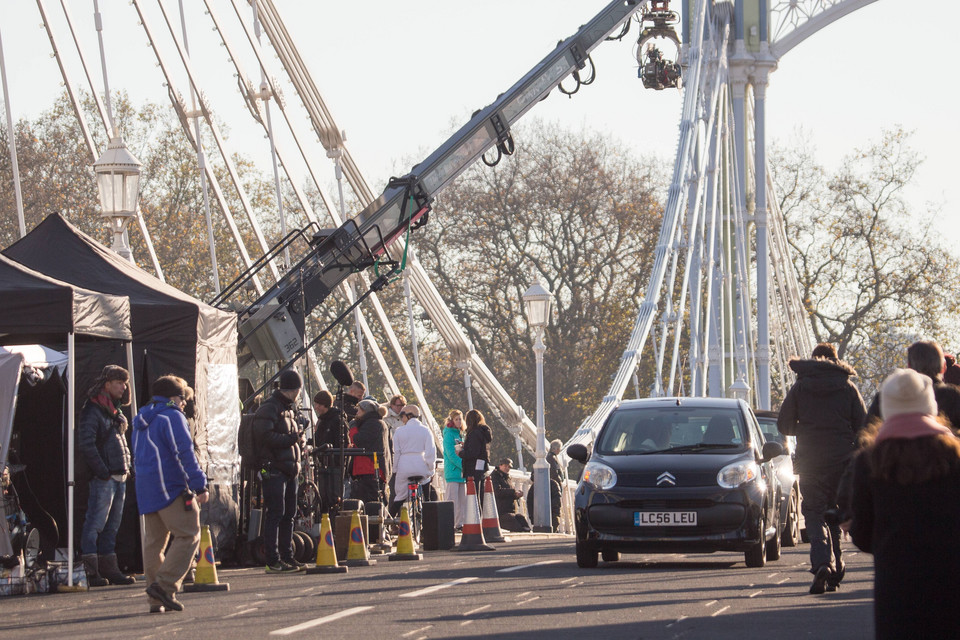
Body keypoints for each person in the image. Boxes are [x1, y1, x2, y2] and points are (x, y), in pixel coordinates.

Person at [848, 368, 960, 639]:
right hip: (951, 581)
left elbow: (862, 533)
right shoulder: (954, 456)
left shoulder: (868, 461)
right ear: (930, 407)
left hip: (896, 583)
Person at [777, 343, 866, 594]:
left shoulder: (800, 387)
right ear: (836, 362)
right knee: (835, 512)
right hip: (841, 460)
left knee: (814, 513)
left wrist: (805, 429)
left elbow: (784, 425)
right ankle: (837, 566)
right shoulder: (848, 387)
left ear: (813, 361)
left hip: (811, 459)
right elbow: (863, 425)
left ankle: (822, 563)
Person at [132, 376, 208, 613]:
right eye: (183, 398)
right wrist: (199, 485)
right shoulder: (172, 416)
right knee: (189, 535)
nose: (184, 403)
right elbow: (184, 453)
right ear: (174, 397)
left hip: (146, 488)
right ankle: (163, 587)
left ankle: (156, 601)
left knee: (154, 544)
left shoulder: (141, 418)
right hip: (170, 487)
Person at [77, 364, 135, 587]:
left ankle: (109, 570)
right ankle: (91, 572)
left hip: (118, 476)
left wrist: (126, 469)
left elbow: (118, 445)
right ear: (107, 384)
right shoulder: (93, 409)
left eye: (124, 382)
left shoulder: (114, 410)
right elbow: (87, 444)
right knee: (96, 524)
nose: (123, 387)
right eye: (119, 382)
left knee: (111, 526)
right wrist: (102, 472)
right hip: (106, 477)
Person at [252, 369, 306, 573]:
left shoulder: (287, 409)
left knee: (288, 514)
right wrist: (293, 439)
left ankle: (287, 556)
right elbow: (264, 437)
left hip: (289, 468)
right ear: (296, 390)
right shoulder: (270, 408)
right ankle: (273, 559)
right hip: (274, 468)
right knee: (276, 513)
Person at [864, 340, 960, 429]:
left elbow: (864, 437)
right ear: (944, 367)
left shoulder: (887, 396)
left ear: (909, 366)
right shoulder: (954, 397)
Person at [389, 405, 436, 517]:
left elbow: (397, 453)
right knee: (425, 481)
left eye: (402, 416)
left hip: (404, 465)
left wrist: (395, 469)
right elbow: (430, 453)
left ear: (409, 416)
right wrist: (431, 468)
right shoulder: (426, 431)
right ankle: (426, 504)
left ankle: (389, 521)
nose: (401, 418)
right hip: (420, 464)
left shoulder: (399, 431)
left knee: (400, 496)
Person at [349, 398, 391, 507]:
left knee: (369, 502)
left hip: (369, 468)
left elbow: (359, 440)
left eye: (359, 410)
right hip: (371, 469)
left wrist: (353, 428)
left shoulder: (372, 424)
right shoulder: (379, 423)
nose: (357, 413)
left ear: (366, 411)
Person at [458, 409, 492, 500]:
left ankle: (475, 513)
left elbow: (473, 452)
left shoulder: (474, 433)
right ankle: (479, 512)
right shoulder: (483, 432)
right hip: (481, 466)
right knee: (480, 493)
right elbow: (479, 449)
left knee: (473, 494)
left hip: (472, 468)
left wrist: (461, 453)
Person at [491, 458, 531, 532]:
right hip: (501, 511)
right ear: (500, 465)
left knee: (521, 519)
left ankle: (526, 531)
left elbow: (509, 493)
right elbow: (497, 492)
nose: (507, 468)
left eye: (509, 467)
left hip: (510, 510)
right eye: (505, 466)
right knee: (517, 526)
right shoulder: (495, 476)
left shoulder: (507, 477)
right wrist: (513, 492)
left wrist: (516, 495)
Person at [442, 410, 467, 529]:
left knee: (462, 500)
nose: (458, 421)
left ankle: (459, 523)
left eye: (460, 419)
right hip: (453, 470)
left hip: (462, 474)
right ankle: (449, 523)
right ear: (452, 420)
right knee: (452, 499)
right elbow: (450, 454)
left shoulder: (461, 434)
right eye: (456, 419)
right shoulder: (448, 434)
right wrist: (463, 465)